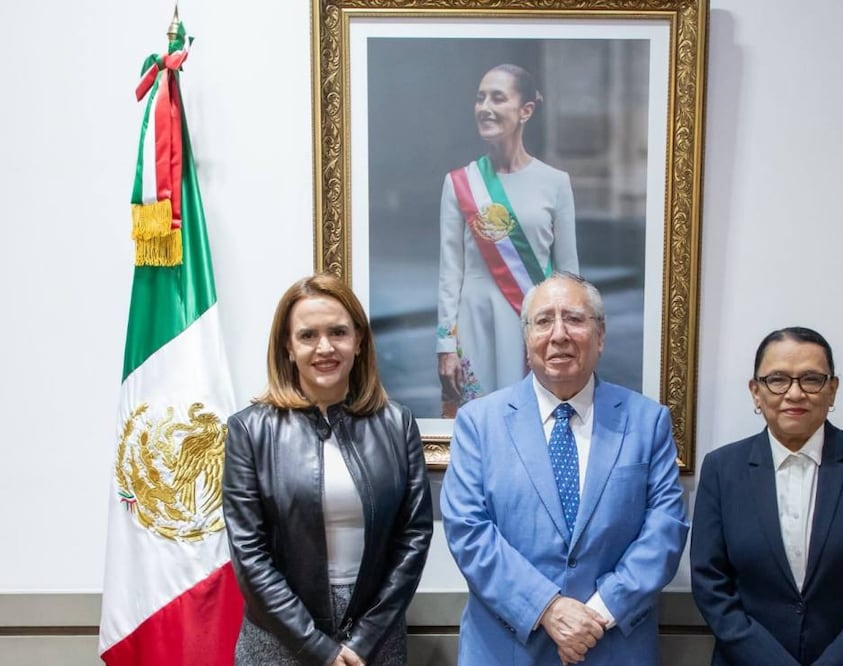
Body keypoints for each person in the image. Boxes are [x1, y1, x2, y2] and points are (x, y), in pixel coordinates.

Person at [441, 272, 688, 665]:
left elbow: (666, 530)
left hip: (611, 646)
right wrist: (548, 608)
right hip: (507, 649)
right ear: (527, 340)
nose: (558, 335)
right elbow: (469, 532)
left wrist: (598, 615)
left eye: (574, 319)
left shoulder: (647, 421)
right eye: (543, 321)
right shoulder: (478, 422)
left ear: (601, 336)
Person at [223, 274, 433, 666]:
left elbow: (414, 537)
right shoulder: (250, 431)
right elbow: (250, 556)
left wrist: (364, 639)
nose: (325, 347)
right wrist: (318, 648)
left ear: (359, 341)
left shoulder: (397, 423)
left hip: (374, 638)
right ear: (288, 346)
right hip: (281, 636)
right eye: (307, 335)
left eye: (338, 332)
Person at [690, 327, 843, 665]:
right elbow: (711, 582)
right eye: (777, 379)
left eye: (811, 379)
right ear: (755, 391)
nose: (794, 394)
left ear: (832, 389)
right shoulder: (723, 468)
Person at [437, 63, 579, 417]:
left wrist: (572, 335)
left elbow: (569, 276)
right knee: (478, 423)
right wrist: (445, 346)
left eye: (497, 98)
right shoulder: (459, 183)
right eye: (480, 97)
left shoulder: (555, 182)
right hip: (476, 322)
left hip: (536, 327)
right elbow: (449, 272)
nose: (485, 106)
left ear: (525, 110)